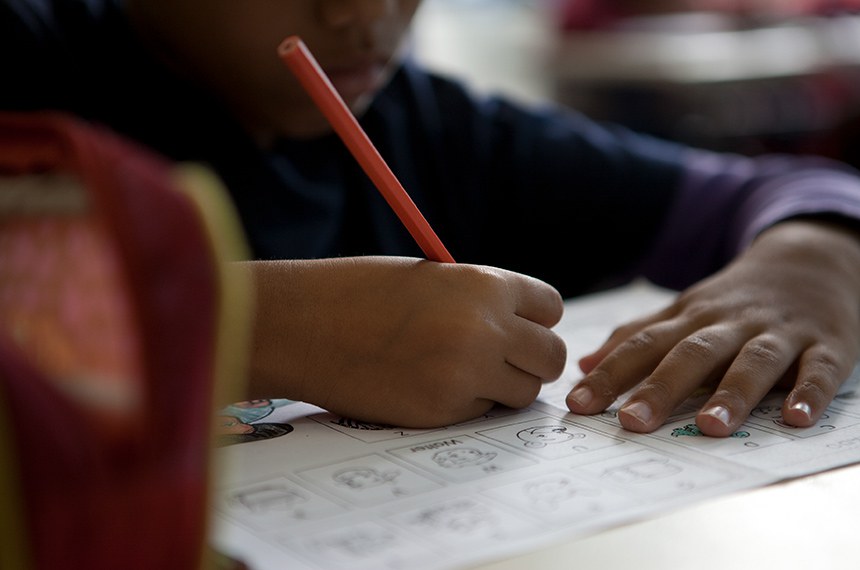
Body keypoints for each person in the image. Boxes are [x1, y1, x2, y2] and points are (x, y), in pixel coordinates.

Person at [3, 0, 860, 438]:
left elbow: (768, 191)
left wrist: (811, 262)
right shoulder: (33, 60)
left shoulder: (432, 127)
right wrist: (262, 325)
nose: (364, 15)